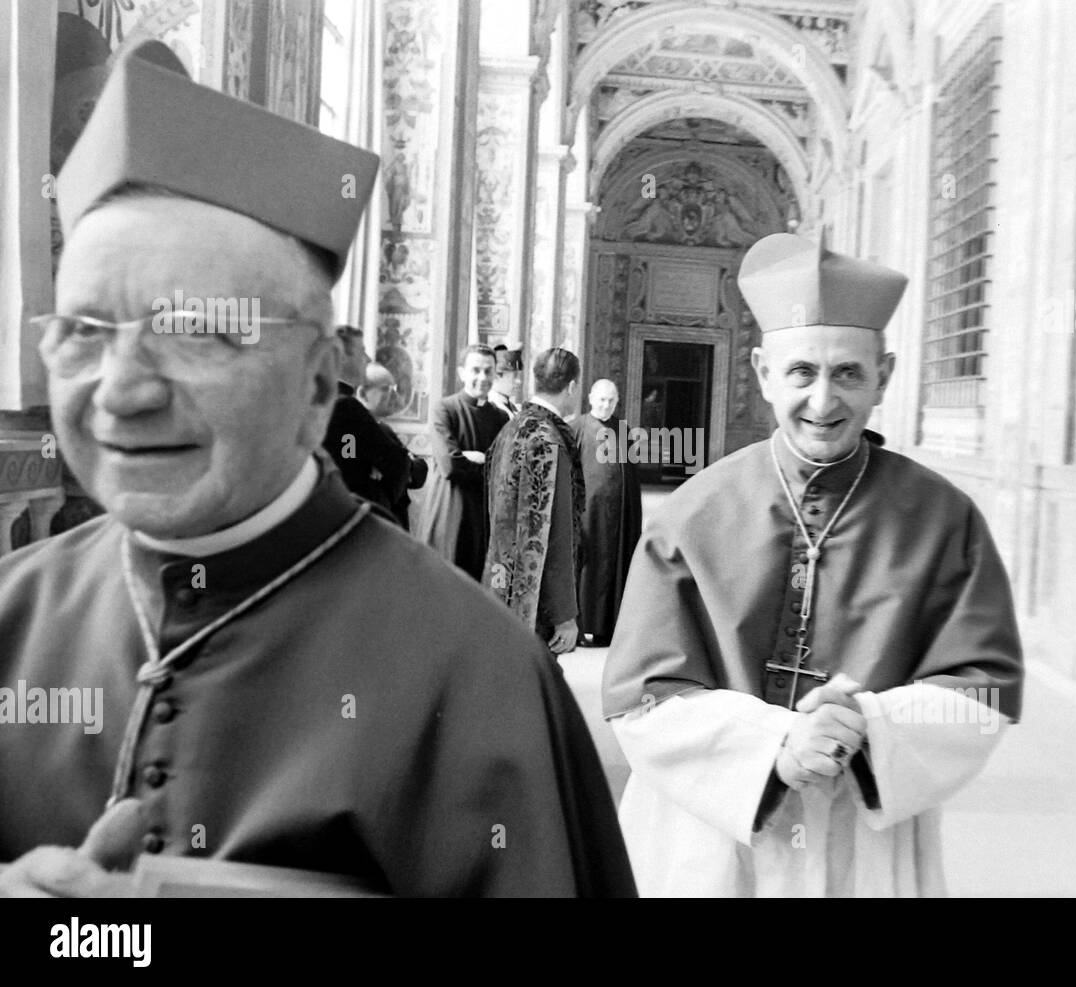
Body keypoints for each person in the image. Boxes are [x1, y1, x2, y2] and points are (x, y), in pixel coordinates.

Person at [0, 44, 634, 898]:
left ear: (317, 379)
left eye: (192, 329)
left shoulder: (479, 676)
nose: (120, 394)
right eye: (81, 332)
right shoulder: (12, 617)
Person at [602, 232, 1023, 897]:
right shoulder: (694, 512)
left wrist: (871, 729)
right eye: (802, 372)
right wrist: (774, 745)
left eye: (847, 373)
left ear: (882, 376)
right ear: (764, 372)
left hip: (864, 833)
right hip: (716, 830)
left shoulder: (944, 519)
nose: (823, 401)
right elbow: (642, 697)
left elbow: (987, 686)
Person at [483, 349, 585, 657]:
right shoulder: (548, 440)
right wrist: (565, 614)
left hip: (499, 581)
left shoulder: (510, 428)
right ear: (571, 386)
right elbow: (556, 533)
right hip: (536, 602)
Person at [419, 345, 509, 577]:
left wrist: (479, 461)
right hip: (450, 511)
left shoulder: (500, 417)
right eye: (475, 370)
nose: (482, 377)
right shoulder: (444, 409)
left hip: (482, 516)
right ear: (462, 373)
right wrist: (485, 463)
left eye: (488, 371)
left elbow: (505, 469)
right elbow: (450, 466)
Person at [573, 380, 642, 647]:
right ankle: (579, 628)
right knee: (585, 570)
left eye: (611, 401)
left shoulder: (623, 431)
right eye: (601, 400)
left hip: (617, 520)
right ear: (590, 398)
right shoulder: (576, 428)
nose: (605, 405)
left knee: (613, 570)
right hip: (586, 516)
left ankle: (606, 629)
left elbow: (631, 476)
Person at [322, 340, 413, 527]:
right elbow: (397, 463)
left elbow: (350, 452)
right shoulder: (346, 406)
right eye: (362, 352)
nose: (369, 358)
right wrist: (383, 498)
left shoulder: (318, 401)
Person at [357, 362, 428, 532]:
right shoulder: (349, 435)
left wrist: (402, 467)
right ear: (363, 394)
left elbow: (419, 470)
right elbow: (350, 467)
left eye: (394, 388)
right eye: (386, 389)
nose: (394, 396)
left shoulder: (384, 430)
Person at [488, 345, 524, 419]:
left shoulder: (511, 406)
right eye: (514, 376)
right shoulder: (492, 408)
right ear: (496, 377)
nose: (519, 381)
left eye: (519, 376)